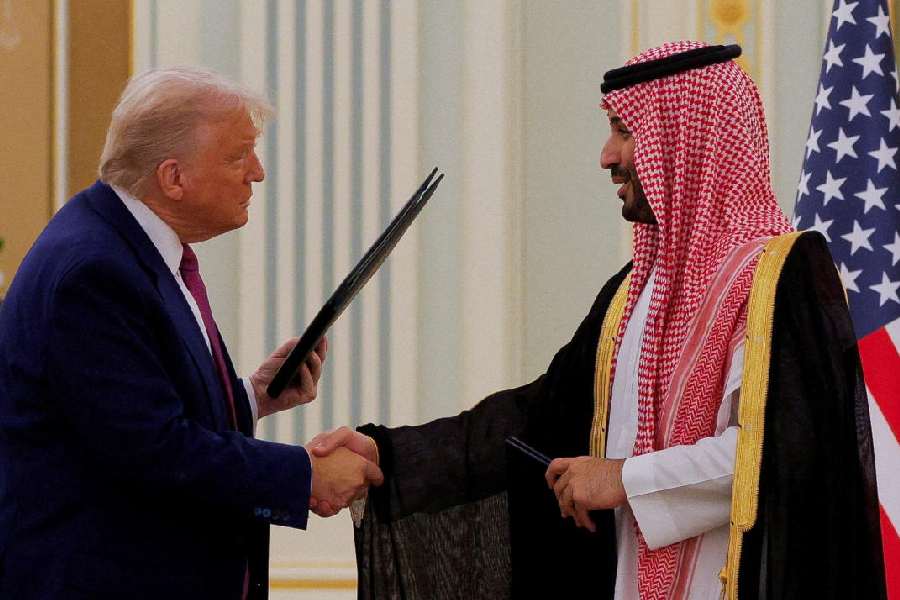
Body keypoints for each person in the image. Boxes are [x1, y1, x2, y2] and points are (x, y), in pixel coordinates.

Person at [309, 42, 887, 599]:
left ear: (686, 139)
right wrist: (388, 455)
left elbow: (789, 452)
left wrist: (624, 479)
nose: (607, 156)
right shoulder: (633, 292)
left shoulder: (781, 278)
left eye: (624, 130)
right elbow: (535, 417)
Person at [0, 67, 383, 600]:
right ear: (173, 178)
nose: (257, 173)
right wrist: (303, 476)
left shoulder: (130, 244)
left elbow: (132, 413)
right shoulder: (94, 272)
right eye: (238, 156)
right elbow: (153, 451)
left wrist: (250, 397)